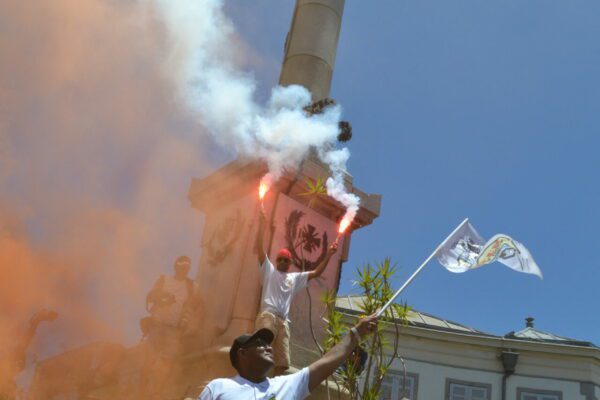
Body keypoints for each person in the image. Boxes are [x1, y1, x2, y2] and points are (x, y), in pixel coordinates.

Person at [198, 314, 378, 399]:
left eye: (268, 343)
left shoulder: (284, 385)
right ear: (243, 353)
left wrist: (356, 333)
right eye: (259, 343)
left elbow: (325, 363)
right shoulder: (219, 387)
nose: (268, 346)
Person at [255, 209, 338, 376]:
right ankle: (255, 380)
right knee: (260, 348)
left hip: (283, 321)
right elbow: (259, 248)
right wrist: (261, 226)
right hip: (268, 316)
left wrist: (329, 254)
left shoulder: (294, 278)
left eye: (286, 260)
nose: (283, 262)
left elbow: (317, 273)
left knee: (283, 362)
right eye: (280, 259)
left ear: (290, 263)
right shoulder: (269, 271)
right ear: (276, 261)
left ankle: (275, 390)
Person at [144, 255, 200, 356]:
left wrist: (187, 323)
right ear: (176, 267)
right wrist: (163, 297)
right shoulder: (164, 280)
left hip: (174, 329)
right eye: (181, 265)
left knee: (169, 360)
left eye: (187, 266)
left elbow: (196, 306)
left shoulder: (192, 286)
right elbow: (150, 297)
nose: (184, 268)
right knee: (150, 355)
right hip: (157, 324)